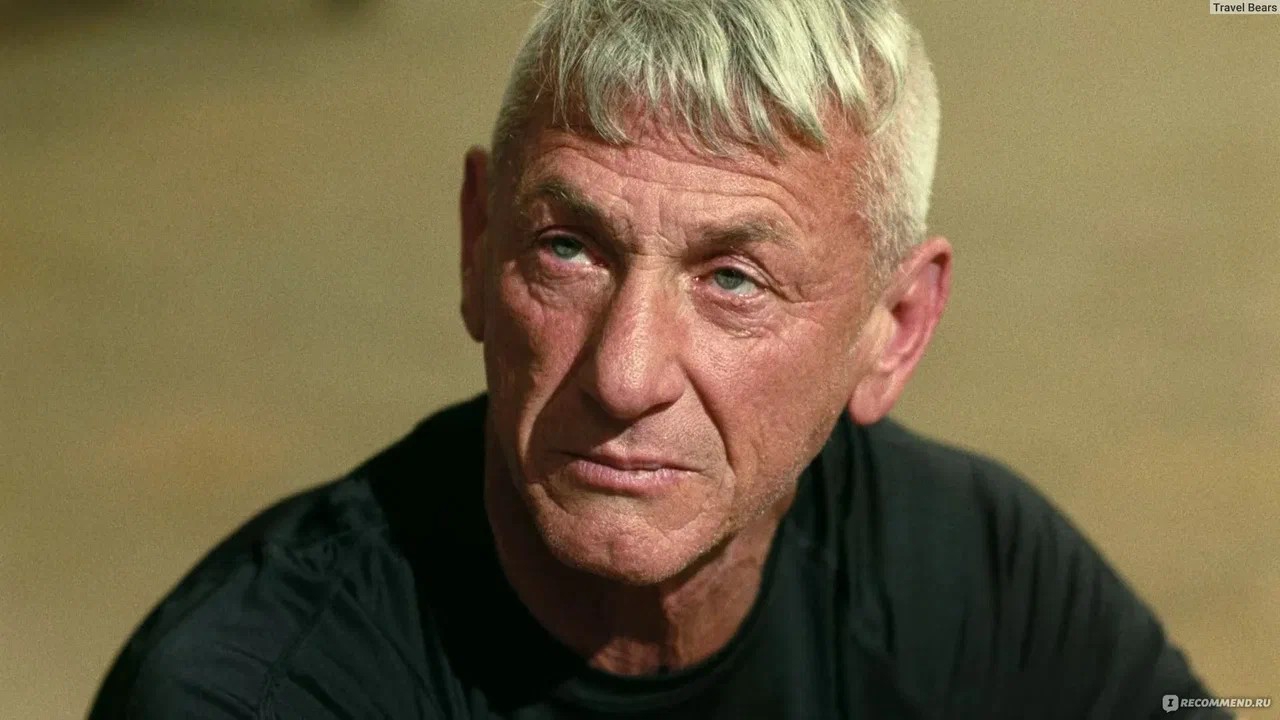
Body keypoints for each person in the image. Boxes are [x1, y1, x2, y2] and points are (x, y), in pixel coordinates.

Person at [88, 1, 1227, 718]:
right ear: (477, 243)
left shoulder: (972, 578)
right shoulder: (253, 691)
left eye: (733, 279)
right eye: (569, 249)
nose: (624, 375)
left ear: (894, 328)